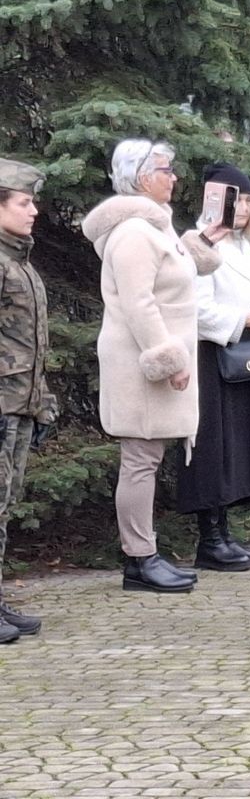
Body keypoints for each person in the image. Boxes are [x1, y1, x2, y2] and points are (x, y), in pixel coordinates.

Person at [83, 139, 227, 592]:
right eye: (166, 170)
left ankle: (144, 554)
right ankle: (139, 559)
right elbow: (139, 302)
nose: (175, 177)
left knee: (147, 457)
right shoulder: (132, 232)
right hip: (140, 361)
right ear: (143, 178)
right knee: (140, 459)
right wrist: (167, 359)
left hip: (151, 358)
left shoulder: (154, 228)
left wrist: (199, 244)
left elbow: (175, 278)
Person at [178, 164, 250, 573]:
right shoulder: (199, 243)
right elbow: (197, 307)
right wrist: (247, 320)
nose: (241, 207)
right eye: (232, 198)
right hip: (212, 356)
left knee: (241, 445)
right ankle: (209, 536)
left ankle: (224, 531)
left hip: (246, 357)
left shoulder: (245, 248)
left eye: (245, 199)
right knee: (213, 447)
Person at [0, 160, 56, 640]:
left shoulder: (18, 259)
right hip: (2, 403)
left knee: (4, 503)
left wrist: (42, 398)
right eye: (24, 203)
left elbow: (31, 342)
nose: (33, 211)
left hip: (19, 403)